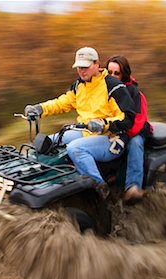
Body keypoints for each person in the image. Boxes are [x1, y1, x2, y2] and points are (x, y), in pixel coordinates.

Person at [24, 47, 135, 200]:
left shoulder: (113, 86)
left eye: (86, 66)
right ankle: (32, 179)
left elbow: (128, 118)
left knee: (75, 149)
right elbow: (62, 103)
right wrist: (40, 108)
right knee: (50, 141)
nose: (82, 71)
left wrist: (104, 124)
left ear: (97, 64)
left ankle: (100, 189)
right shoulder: (79, 86)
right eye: (79, 67)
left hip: (112, 138)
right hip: (86, 132)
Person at [105, 55, 152, 203]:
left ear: (123, 74)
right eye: (109, 72)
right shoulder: (102, 90)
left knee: (135, 144)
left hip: (134, 130)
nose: (112, 76)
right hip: (114, 128)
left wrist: (124, 135)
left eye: (116, 73)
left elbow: (138, 120)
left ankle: (133, 186)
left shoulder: (134, 93)